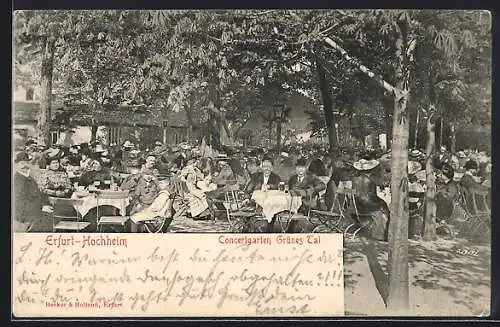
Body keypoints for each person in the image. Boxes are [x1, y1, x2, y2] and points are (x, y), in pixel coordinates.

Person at [349, 159, 390, 241]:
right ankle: (381, 235)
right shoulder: (370, 180)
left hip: (356, 206)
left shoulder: (354, 179)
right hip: (366, 207)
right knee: (385, 207)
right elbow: (371, 196)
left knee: (383, 204)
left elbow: (359, 194)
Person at [13, 152, 48, 232]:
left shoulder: (30, 179)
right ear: (16, 165)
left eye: (27, 163)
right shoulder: (17, 180)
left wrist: (45, 204)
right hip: (23, 218)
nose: (25, 165)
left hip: (34, 215)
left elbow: (39, 194)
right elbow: (20, 201)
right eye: (22, 163)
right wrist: (41, 207)